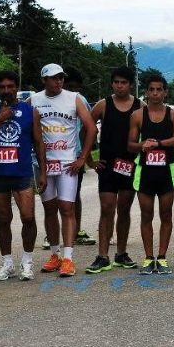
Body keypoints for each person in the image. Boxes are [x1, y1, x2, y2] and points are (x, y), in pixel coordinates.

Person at [0, 71, 47, 281]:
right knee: (3, 219)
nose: (6, 90)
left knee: (28, 217)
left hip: (22, 172)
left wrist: (43, 172)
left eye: (10, 86)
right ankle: (7, 263)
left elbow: (39, 142)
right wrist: (0, 119)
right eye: (2, 87)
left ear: (17, 87)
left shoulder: (30, 111)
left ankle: (27, 262)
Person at [31, 63, 97, 277]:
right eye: (54, 78)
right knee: (49, 208)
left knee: (66, 208)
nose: (58, 81)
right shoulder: (33, 100)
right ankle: (54, 254)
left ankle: (68, 258)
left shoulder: (74, 98)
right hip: (43, 164)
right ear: (44, 80)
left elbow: (91, 128)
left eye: (61, 77)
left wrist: (82, 157)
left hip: (68, 163)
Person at [84, 66, 142, 274]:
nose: (120, 86)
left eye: (124, 82)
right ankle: (102, 255)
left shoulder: (139, 106)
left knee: (124, 209)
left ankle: (121, 253)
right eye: (116, 82)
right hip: (107, 166)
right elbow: (86, 130)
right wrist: (89, 159)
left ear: (130, 84)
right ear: (112, 84)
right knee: (107, 209)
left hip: (129, 166)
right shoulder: (103, 105)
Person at [128, 75, 174, 275]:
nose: (155, 93)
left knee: (166, 214)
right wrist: (142, 145)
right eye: (151, 89)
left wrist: (159, 144)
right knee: (146, 214)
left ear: (165, 92)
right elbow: (130, 144)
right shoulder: (137, 115)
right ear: (146, 91)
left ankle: (161, 257)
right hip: (144, 172)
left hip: (166, 171)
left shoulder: (172, 115)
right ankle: (147, 257)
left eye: (159, 89)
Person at [63, 69, 96, 247]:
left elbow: (88, 129)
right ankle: (59, 232)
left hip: (74, 155)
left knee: (74, 195)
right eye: (69, 86)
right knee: (55, 198)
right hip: (54, 155)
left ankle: (75, 231)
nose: (71, 91)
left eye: (75, 87)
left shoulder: (80, 100)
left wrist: (86, 157)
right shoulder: (50, 100)